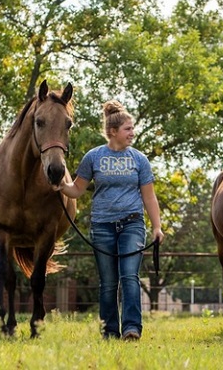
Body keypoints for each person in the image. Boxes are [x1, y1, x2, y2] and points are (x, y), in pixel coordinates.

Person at [54, 100, 164, 341]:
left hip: (132, 224)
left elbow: (149, 196)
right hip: (102, 226)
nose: (132, 133)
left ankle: (132, 328)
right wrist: (61, 185)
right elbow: (77, 190)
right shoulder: (93, 157)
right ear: (113, 132)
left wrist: (157, 227)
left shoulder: (139, 159)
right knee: (108, 283)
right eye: (128, 129)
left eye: (132, 128)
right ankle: (110, 331)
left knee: (129, 276)